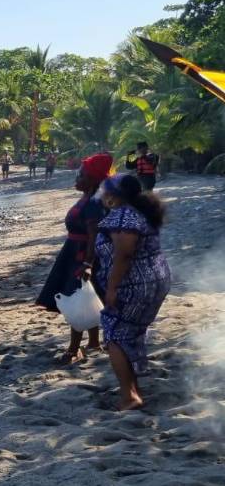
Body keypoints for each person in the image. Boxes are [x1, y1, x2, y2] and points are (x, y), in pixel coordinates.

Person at [95, 174, 171, 410]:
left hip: (135, 285)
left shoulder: (123, 217)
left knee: (115, 334)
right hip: (153, 281)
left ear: (113, 196)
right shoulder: (138, 213)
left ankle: (129, 396)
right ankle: (133, 389)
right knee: (131, 332)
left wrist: (112, 288)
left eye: (103, 190)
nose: (100, 194)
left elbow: (124, 254)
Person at [35, 153, 113, 363]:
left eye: (81, 175)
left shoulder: (94, 203)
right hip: (74, 251)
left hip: (82, 254)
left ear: (93, 180)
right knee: (88, 296)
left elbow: (94, 235)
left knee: (77, 298)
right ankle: (93, 341)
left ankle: (73, 349)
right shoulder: (89, 197)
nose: (77, 178)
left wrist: (88, 263)